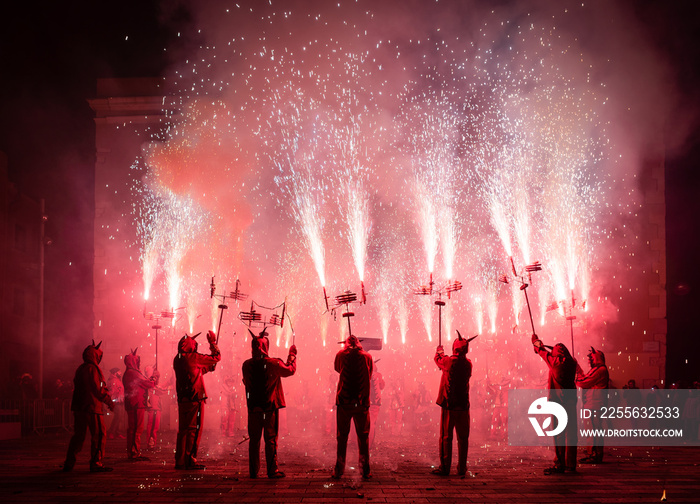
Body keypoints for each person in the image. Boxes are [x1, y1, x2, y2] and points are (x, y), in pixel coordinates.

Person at [241, 329, 297, 478]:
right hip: (269, 408)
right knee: (271, 439)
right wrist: (292, 356)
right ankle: (272, 470)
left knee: (254, 440)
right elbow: (289, 370)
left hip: (253, 409)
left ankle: (253, 471)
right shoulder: (273, 363)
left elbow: (246, 382)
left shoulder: (246, 365)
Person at [63, 340, 114, 472]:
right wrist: (109, 401)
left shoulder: (80, 368)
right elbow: (99, 388)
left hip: (79, 407)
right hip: (92, 407)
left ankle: (69, 462)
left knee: (78, 436)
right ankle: (96, 463)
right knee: (99, 435)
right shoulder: (93, 369)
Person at [173, 330, 221, 470]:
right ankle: (190, 459)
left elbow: (196, 370)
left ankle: (180, 460)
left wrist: (210, 365)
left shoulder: (178, 358)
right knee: (194, 429)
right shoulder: (193, 357)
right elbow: (217, 357)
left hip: (183, 399)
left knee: (182, 430)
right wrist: (213, 343)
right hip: (195, 398)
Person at [532, 334, 578, 475]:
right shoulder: (572, 362)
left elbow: (542, 352)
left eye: (555, 350)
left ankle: (560, 463)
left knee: (558, 433)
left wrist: (536, 342)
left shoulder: (556, 361)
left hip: (558, 402)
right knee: (571, 434)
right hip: (571, 401)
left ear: (558, 352)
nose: (552, 351)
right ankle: (571, 464)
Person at [432, 331, 474, 477]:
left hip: (449, 405)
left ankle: (445, 467)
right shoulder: (468, 363)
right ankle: (462, 468)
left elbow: (438, 359)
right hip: (463, 406)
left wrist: (439, 351)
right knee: (463, 438)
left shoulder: (448, 361)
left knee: (446, 437)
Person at [332, 334, 374, 480]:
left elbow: (338, 369)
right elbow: (369, 374)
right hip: (361, 403)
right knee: (363, 438)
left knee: (342, 437)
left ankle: (339, 470)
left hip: (344, 401)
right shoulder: (367, 356)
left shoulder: (340, 354)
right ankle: (365, 470)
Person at [122, 348, 159, 461]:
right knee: (135, 429)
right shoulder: (133, 373)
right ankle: (134, 452)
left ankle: (135, 451)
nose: (139, 362)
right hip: (136, 404)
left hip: (136, 404)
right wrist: (155, 377)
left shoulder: (132, 372)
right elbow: (148, 383)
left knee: (135, 429)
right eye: (137, 360)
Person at [576, 346, 609, 463]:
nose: (589, 360)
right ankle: (592, 454)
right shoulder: (598, 369)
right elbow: (585, 378)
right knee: (592, 430)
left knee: (593, 431)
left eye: (591, 358)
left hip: (594, 405)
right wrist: (578, 369)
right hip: (592, 404)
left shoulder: (600, 370)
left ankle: (595, 455)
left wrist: (576, 374)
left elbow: (583, 382)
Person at [144, 365, 165, 449]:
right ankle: (150, 442)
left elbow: (162, 391)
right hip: (153, 407)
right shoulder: (149, 384)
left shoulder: (154, 384)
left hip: (157, 407)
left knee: (154, 426)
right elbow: (159, 390)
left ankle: (153, 442)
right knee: (151, 426)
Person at [368, 363, 385, 448]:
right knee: (372, 423)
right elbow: (382, 386)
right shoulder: (378, 375)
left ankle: (359, 443)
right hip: (375, 402)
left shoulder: (363, 373)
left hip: (364, 402)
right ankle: (369, 444)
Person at [106, 368, 125, 440]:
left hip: (119, 401)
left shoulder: (117, 380)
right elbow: (111, 391)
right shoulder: (113, 380)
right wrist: (109, 400)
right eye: (119, 372)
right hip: (116, 401)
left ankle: (117, 433)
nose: (120, 373)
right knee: (117, 417)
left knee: (119, 418)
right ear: (115, 373)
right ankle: (111, 432)